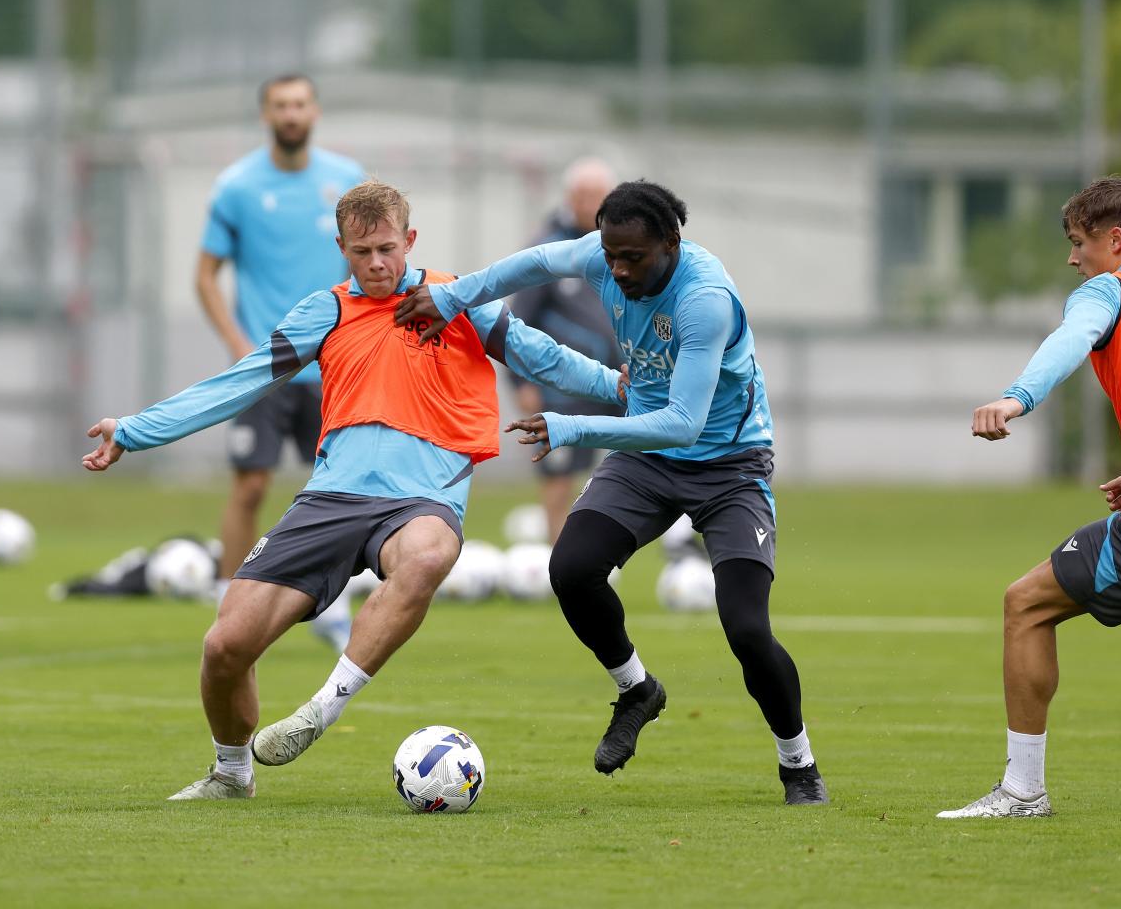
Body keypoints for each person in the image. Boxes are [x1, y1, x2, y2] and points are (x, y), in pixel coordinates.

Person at [82, 180, 625, 800]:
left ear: (410, 241)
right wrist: (135, 430)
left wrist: (622, 391)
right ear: (342, 248)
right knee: (225, 646)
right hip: (330, 499)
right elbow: (238, 383)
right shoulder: (326, 312)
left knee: (426, 556)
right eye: (361, 252)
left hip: (422, 497)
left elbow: (543, 356)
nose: (376, 264)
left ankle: (322, 709)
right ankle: (231, 773)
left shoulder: (458, 300)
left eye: (387, 249)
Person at [394, 179, 829, 805]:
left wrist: (573, 425)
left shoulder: (705, 300)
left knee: (746, 628)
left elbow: (686, 423)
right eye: (611, 255)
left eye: (634, 258)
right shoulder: (603, 254)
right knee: (571, 569)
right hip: (648, 456)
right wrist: (453, 296)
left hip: (729, 465)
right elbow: (535, 263)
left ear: (671, 244)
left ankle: (799, 764)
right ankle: (637, 689)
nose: (618, 270)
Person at [938, 176, 1121, 818]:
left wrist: (1016, 396)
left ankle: (1023, 791)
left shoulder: (1109, 291)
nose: (1072, 258)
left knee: (1026, 605)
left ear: (1115, 240)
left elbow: (1071, 340)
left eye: (1079, 243)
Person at [195, 73, 365, 649]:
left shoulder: (345, 181)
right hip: (267, 369)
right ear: (265, 113)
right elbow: (205, 277)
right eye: (280, 106)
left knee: (340, 488)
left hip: (333, 368)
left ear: (314, 111)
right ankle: (228, 602)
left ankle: (331, 606)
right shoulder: (236, 186)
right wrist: (238, 344)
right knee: (249, 486)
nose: (291, 114)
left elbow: (368, 271)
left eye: (300, 104)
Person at [509, 157, 622, 541]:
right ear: (569, 197)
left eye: (598, 195)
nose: (590, 202)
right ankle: (557, 556)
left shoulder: (623, 249)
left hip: (621, 378)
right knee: (558, 475)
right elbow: (516, 321)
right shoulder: (548, 250)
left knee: (639, 462)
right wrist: (521, 382)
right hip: (563, 387)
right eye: (583, 194)